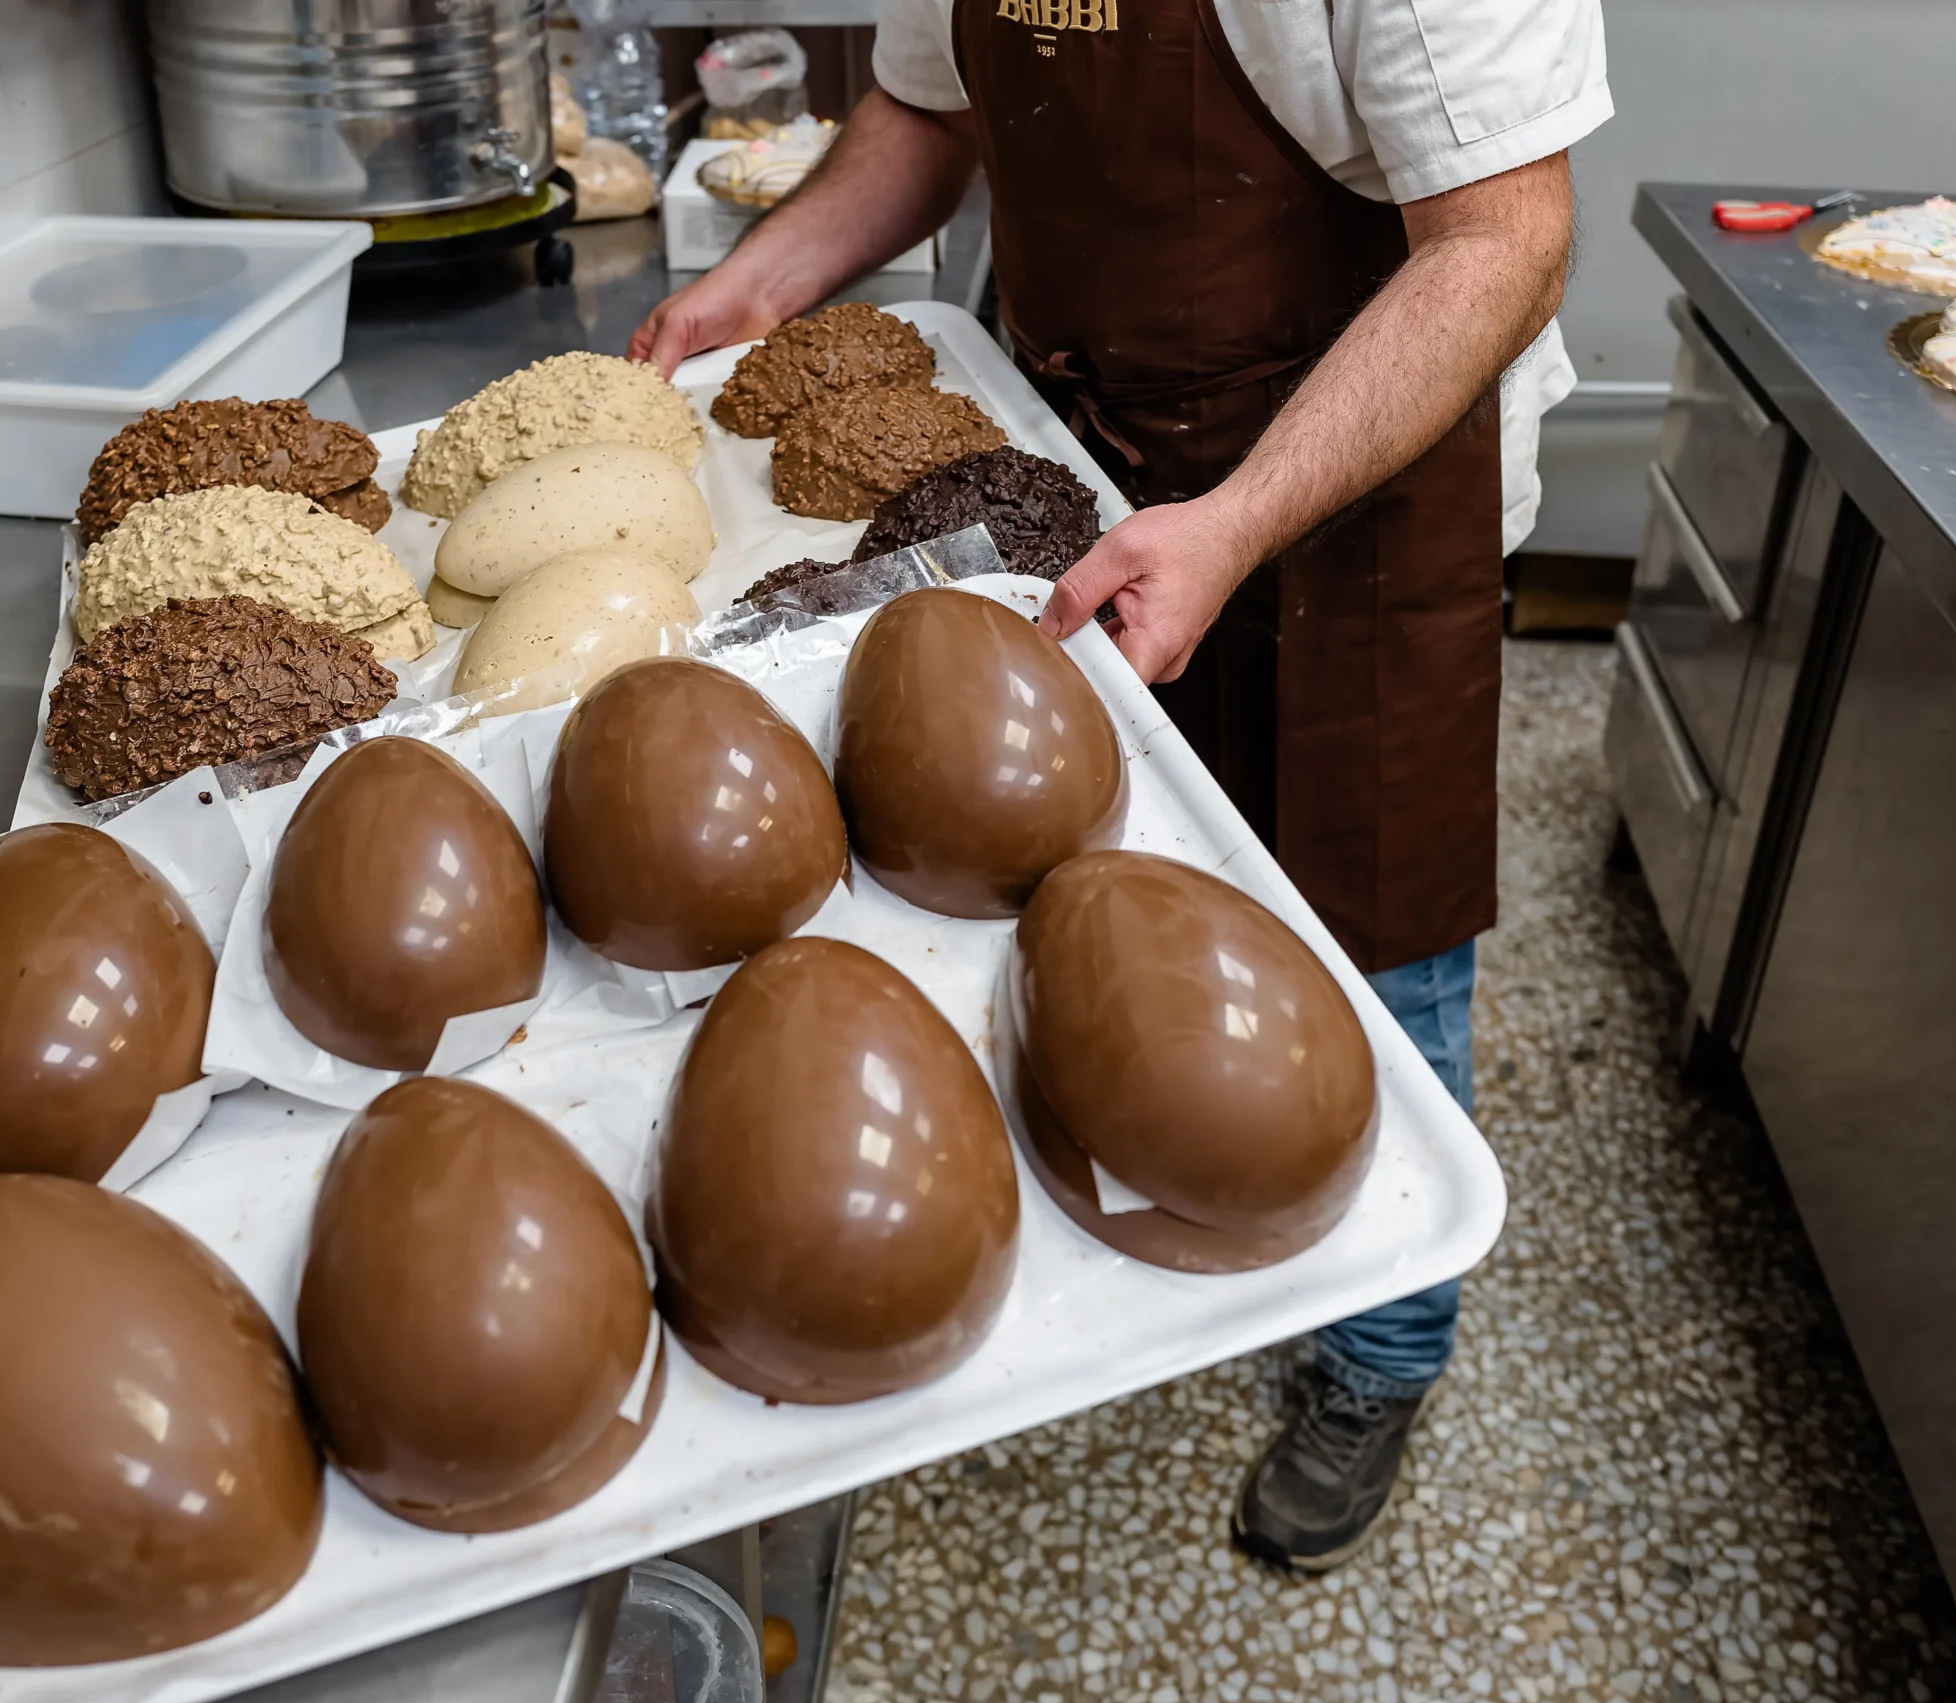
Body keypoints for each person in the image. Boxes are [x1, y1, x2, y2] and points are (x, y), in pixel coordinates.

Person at [633, 0, 1609, 1569]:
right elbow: (928, 110)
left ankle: (1383, 1351)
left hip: (1357, 495)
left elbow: (1503, 242)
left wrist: (1229, 524)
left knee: (1376, 933)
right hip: (1079, 454)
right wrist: (768, 278)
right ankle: (1140, 1169)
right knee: (1084, 868)